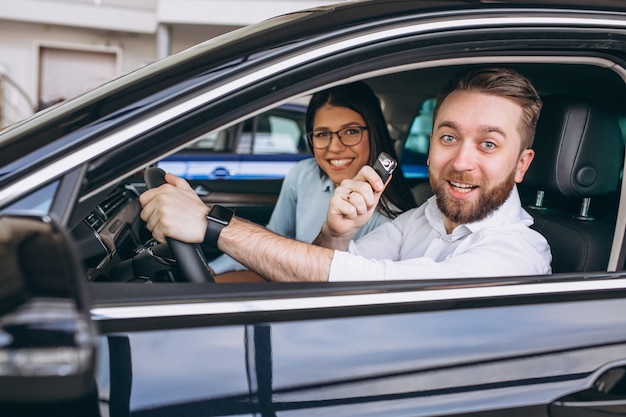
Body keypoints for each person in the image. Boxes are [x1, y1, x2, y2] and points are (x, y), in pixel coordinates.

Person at [140, 67, 552, 282]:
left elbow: (373, 281)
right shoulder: (422, 220)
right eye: (448, 137)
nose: (461, 162)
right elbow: (327, 270)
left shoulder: (517, 254)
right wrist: (336, 234)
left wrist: (211, 223)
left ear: (521, 165)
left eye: (489, 144)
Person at [209, 81, 416, 274]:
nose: (335, 147)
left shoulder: (392, 222)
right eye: (322, 134)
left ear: (375, 134)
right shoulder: (303, 175)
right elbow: (271, 239)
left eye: (351, 131)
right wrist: (210, 271)